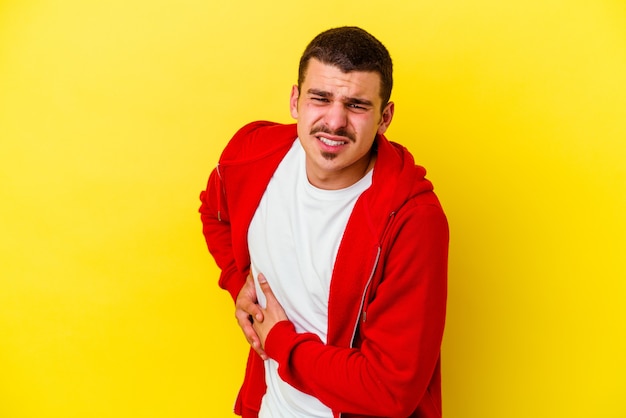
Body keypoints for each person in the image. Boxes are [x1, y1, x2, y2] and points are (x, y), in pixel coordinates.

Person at [199, 26, 449, 418]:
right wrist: (238, 282)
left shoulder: (413, 221)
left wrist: (280, 343)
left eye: (356, 105)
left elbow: (390, 391)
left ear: (385, 118)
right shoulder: (252, 156)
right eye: (321, 98)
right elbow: (214, 212)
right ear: (296, 100)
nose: (334, 122)